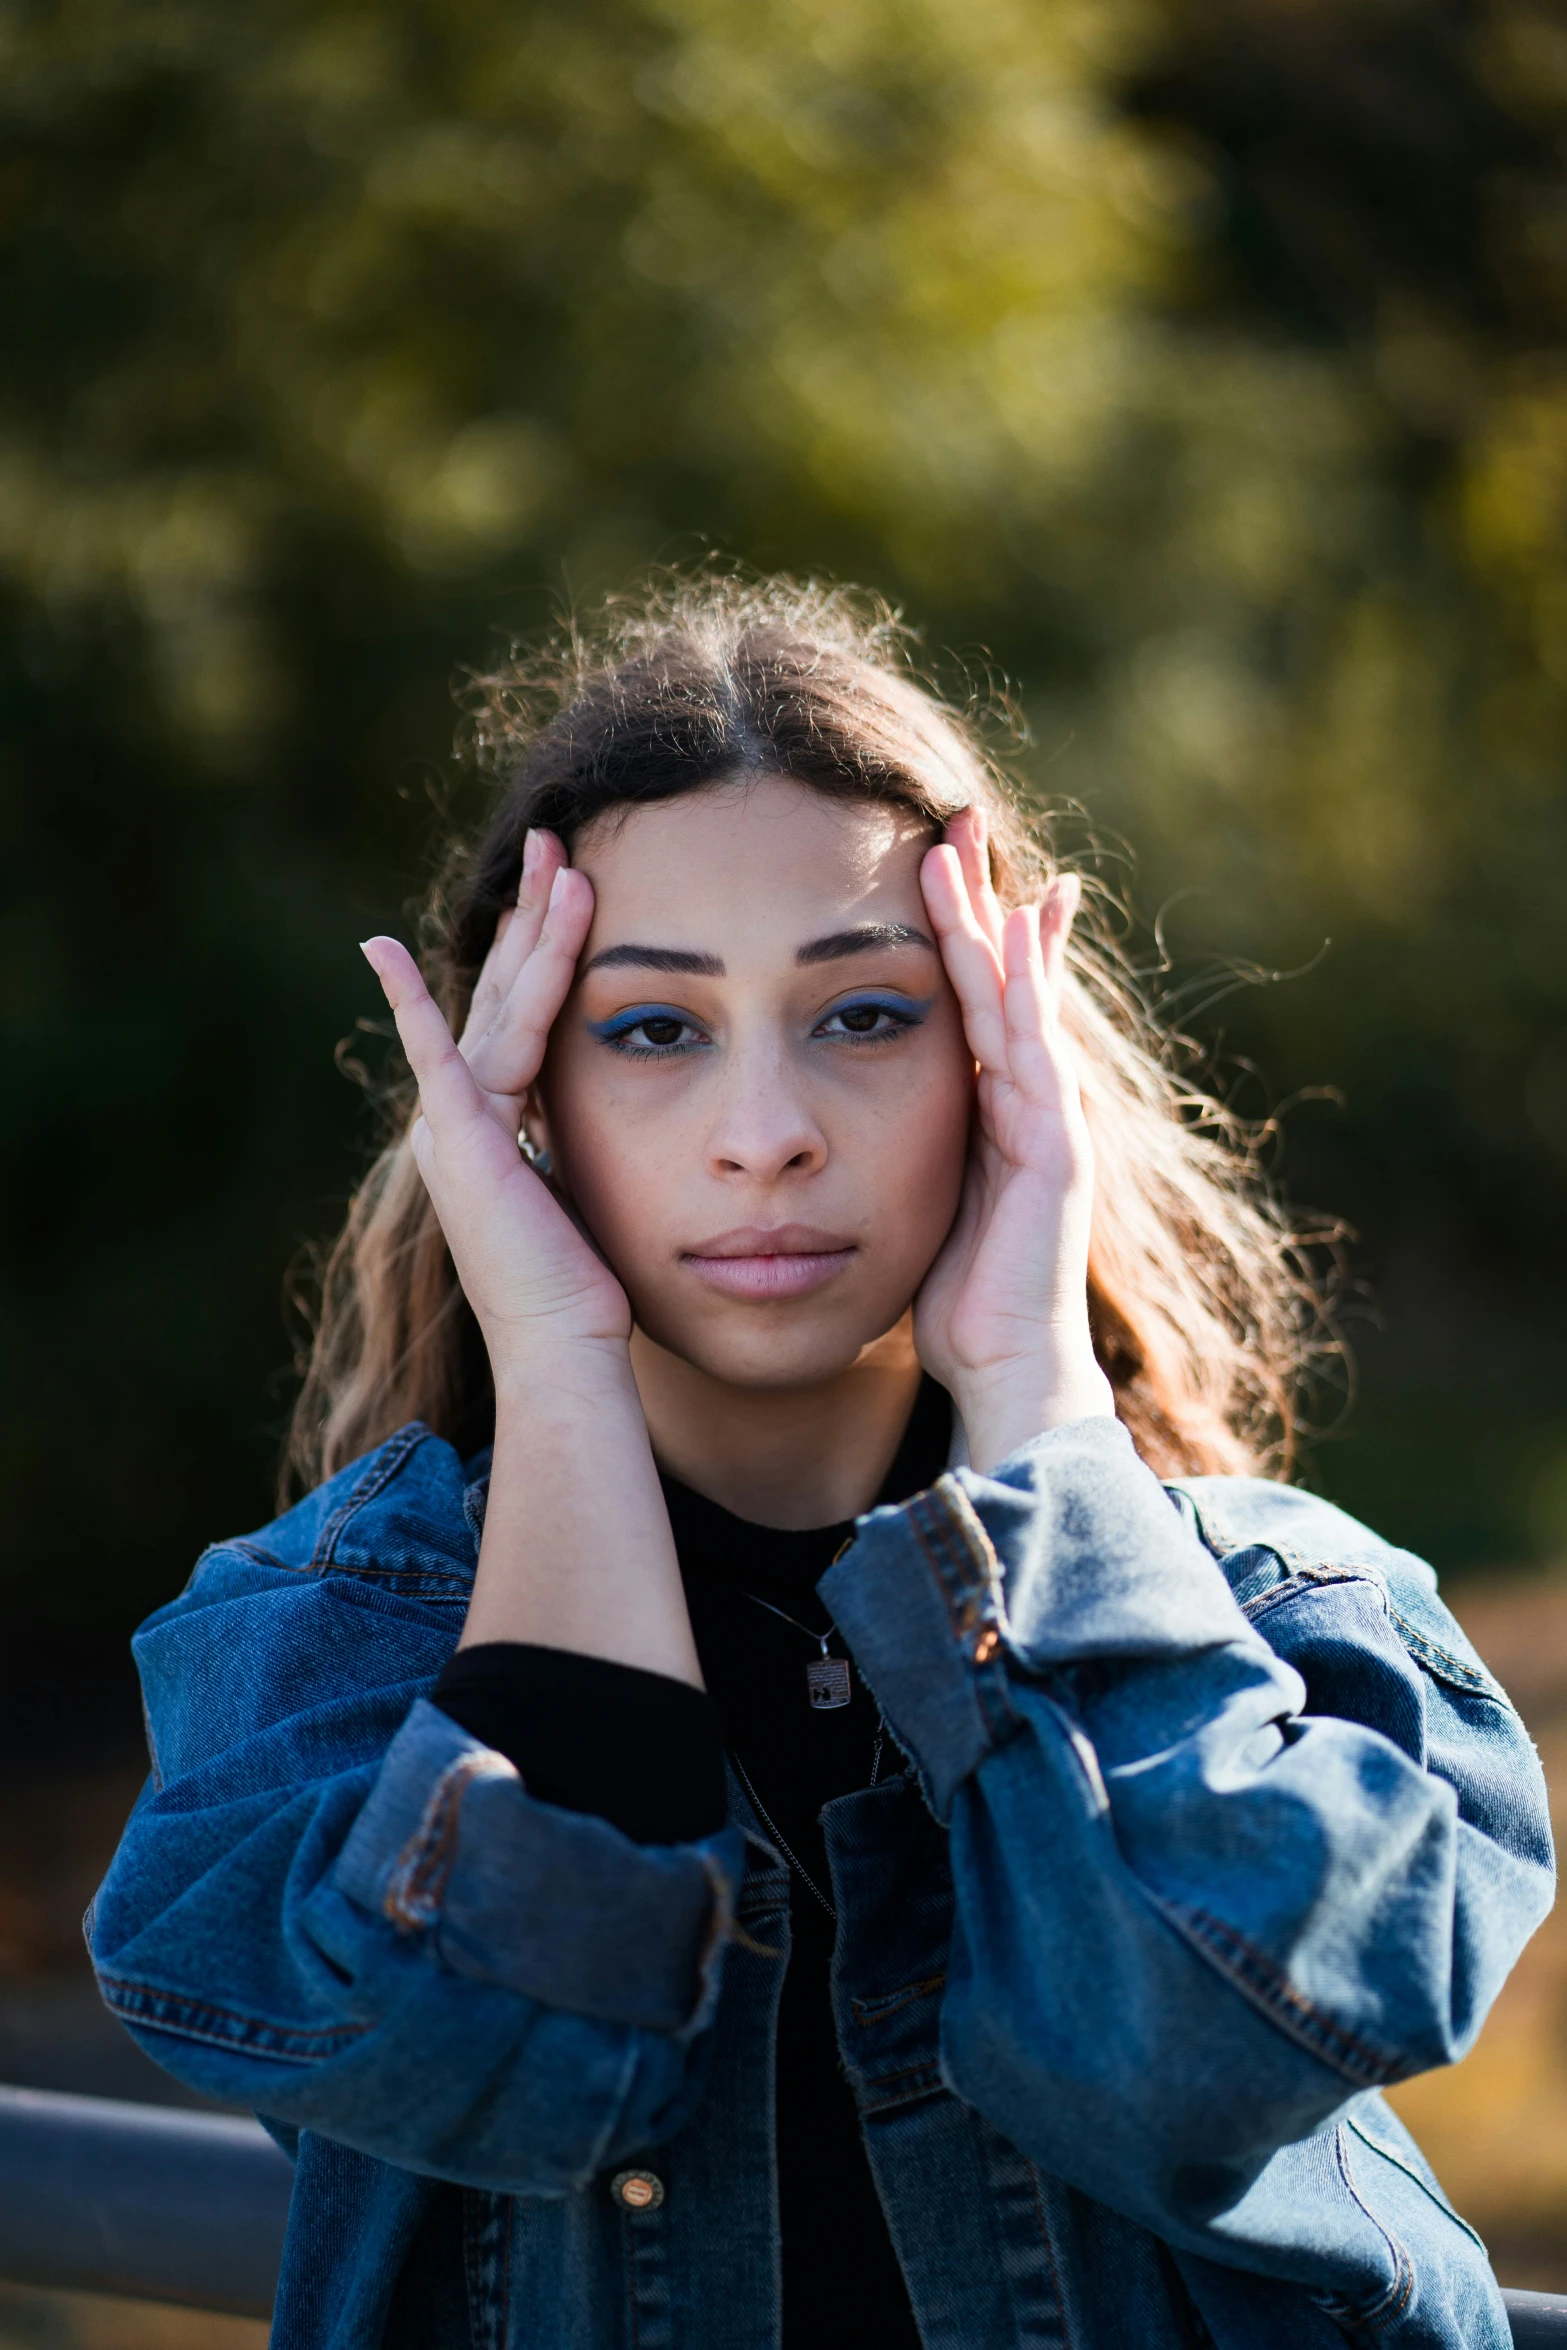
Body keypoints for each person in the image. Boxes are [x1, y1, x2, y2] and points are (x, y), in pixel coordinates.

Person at [91, 578, 1552, 2350]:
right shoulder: (311, 1655)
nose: (765, 1136)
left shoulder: (1297, 1619)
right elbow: (500, 2058)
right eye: (652, 1028)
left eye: (864, 1014)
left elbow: (1192, 2055)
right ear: (521, 1100)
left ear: (1002, 1066)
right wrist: (552, 1371)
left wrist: (1030, 1384)